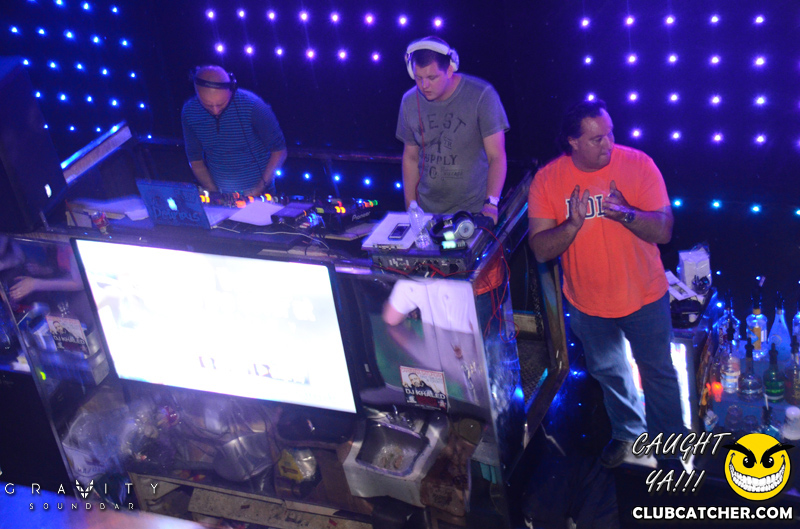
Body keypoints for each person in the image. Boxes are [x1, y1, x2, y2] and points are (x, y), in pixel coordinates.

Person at [527, 99, 686, 469]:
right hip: (589, 304)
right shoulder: (548, 180)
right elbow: (540, 249)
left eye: (610, 133)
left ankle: (670, 451)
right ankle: (628, 434)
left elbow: (664, 230)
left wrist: (626, 213)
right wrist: (571, 225)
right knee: (610, 373)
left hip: (644, 296)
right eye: (597, 139)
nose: (609, 144)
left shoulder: (638, 164)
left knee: (659, 375)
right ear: (572, 142)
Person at [396, 37, 509, 223]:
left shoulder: (482, 95)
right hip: (428, 213)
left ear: (450, 69)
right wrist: (411, 208)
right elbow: (410, 157)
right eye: (418, 78)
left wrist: (491, 204)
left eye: (432, 78)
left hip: (474, 212)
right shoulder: (409, 101)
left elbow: (496, 156)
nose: (424, 85)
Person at [181, 65, 287, 195]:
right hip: (220, 195)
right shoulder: (189, 112)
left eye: (220, 104)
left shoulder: (253, 105)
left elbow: (279, 150)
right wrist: (214, 192)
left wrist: (259, 188)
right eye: (208, 105)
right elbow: (195, 159)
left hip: (261, 194)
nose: (215, 110)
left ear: (231, 89)